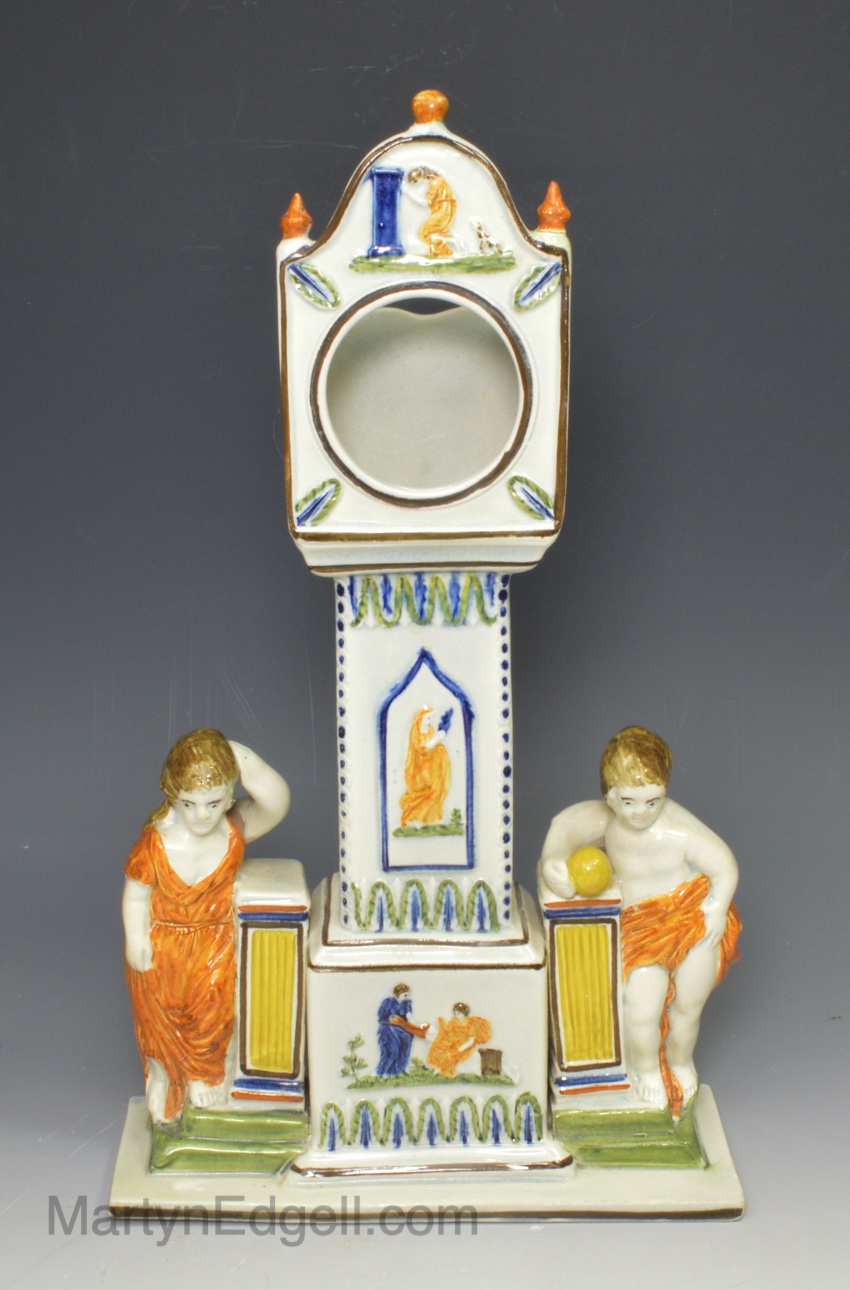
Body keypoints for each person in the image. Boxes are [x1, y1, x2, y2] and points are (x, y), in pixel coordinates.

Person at [540, 726, 740, 1118]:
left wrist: (716, 910)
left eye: (652, 801)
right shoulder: (606, 821)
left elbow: (724, 866)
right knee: (641, 1009)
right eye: (628, 801)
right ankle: (646, 1070)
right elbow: (563, 828)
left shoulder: (679, 828)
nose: (640, 813)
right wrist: (552, 861)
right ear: (609, 796)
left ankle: (681, 1060)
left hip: (691, 919)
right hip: (641, 928)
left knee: (687, 1007)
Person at [122, 729, 290, 1124]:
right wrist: (136, 938)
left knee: (213, 1009)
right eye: (190, 804)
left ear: (230, 797)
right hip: (162, 943)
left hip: (213, 941)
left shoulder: (234, 829)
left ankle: (203, 1074)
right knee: (158, 1013)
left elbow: (277, 802)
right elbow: (136, 895)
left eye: (213, 804)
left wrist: (239, 756)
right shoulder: (155, 842)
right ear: (173, 797)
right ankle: (162, 1073)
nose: (202, 815)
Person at [376, 984, 430, 1076]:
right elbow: (381, 1015)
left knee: (404, 1050)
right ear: (399, 993)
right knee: (392, 1051)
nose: (406, 997)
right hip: (390, 1029)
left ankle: (399, 1071)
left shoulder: (406, 1003)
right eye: (405, 995)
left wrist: (418, 1026)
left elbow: (409, 1017)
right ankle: (382, 1073)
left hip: (403, 1030)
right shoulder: (388, 1002)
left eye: (407, 995)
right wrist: (391, 1020)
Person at [427, 1003, 492, 1079]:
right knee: (440, 1049)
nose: (456, 1014)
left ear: (464, 1013)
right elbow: (447, 1033)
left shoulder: (470, 1023)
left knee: (453, 1054)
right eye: (455, 1012)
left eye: (459, 1013)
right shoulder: (453, 1021)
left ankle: (440, 1070)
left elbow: (471, 1041)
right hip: (453, 1043)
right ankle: (439, 1068)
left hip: (465, 1046)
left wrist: (460, 1049)